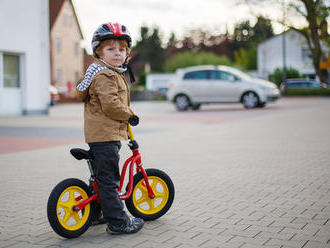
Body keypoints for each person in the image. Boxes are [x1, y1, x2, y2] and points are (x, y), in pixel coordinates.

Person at [74, 22, 143, 234]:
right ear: (98, 52)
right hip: (105, 136)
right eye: (111, 49)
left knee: (100, 178)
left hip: (100, 135)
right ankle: (118, 222)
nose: (117, 53)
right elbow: (112, 105)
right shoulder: (106, 75)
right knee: (109, 181)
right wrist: (130, 115)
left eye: (121, 49)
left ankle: (96, 213)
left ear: (127, 53)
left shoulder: (104, 72)